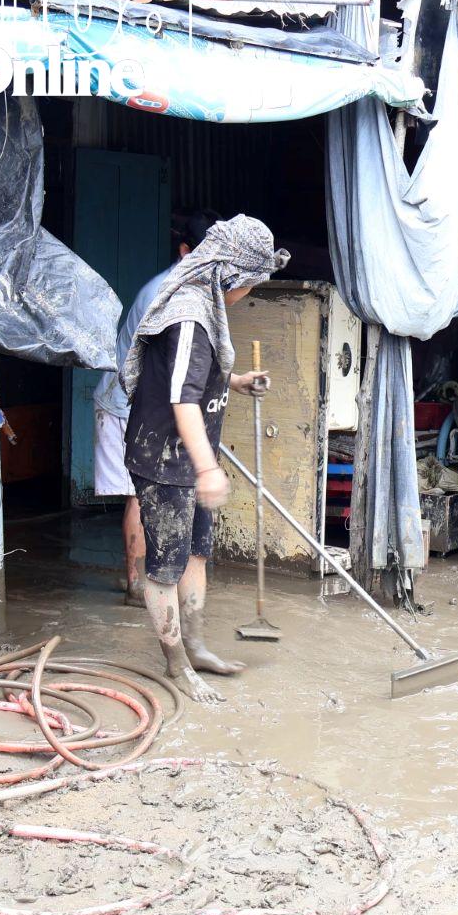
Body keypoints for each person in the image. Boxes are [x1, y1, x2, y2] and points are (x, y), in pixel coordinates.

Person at [120, 215, 289, 704]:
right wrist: (208, 468)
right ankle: (175, 665)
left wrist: (234, 382)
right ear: (231, 276)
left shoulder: (207, 304)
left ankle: (193, 645)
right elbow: (181, 399)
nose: (247, 295)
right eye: (250, 285)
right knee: (165, 566)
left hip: (189, 454)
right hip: (164, 455)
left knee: (196, 553)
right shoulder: (191, 314)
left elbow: (192, 379)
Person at [93, 210, 219, 607]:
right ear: (185, 252)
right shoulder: (166, 294)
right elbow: (171, 374)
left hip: (150, 404)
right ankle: (136, 586)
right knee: (138, 495)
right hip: (123, 401)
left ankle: (156, 590)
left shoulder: (195, 294)